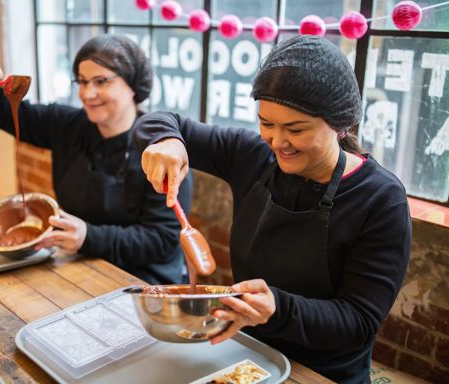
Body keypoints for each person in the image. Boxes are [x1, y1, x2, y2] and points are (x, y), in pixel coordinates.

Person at [133, 35, 411, 384]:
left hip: (323, 373)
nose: (278, 142)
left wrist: (278, 308)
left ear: (340, 124)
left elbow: (358, 322)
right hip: (245, 357)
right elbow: (159, 119)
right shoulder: (251, 156)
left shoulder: (381, 199)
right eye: (266, 123)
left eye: (295, 129)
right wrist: (166, 140)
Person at [0, 34, 193, 285]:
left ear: (133, 84)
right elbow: (11, 114)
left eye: (101, 81)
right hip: (80, 266)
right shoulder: (68, 125)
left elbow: (160, 240)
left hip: (143, 282)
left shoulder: (161, 149)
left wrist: (89, 236)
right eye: (82, 82)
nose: (87, 93)